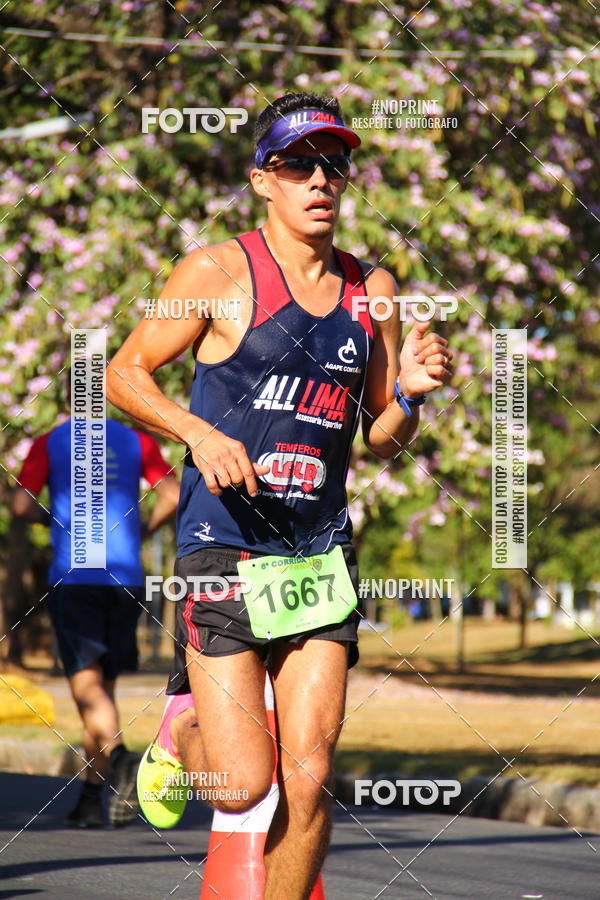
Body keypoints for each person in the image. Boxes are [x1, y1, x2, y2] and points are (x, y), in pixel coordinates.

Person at [106, 91, 453, 896]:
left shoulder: (376, 289)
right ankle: (182, 726)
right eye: (298, 164)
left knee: (311, 778)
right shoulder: (217, 271)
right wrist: (197, 432)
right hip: (221, 547)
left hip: (318, 553)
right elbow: (123, 372)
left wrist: (412, 395)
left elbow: (379, 435)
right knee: (248, 783)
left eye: (333, 164)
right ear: (264, 179)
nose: (319, 179)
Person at [12, 400, 179, 829]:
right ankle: (90, 800)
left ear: (69, 396)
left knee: (87, 690)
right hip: (125, 578)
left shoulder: (50, 443)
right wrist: (145, 529)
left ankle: (122, 761)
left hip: (76, 577)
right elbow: (173, 495)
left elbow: (19, 505)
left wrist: (51, 518)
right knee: (100, 692)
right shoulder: (136, 440)